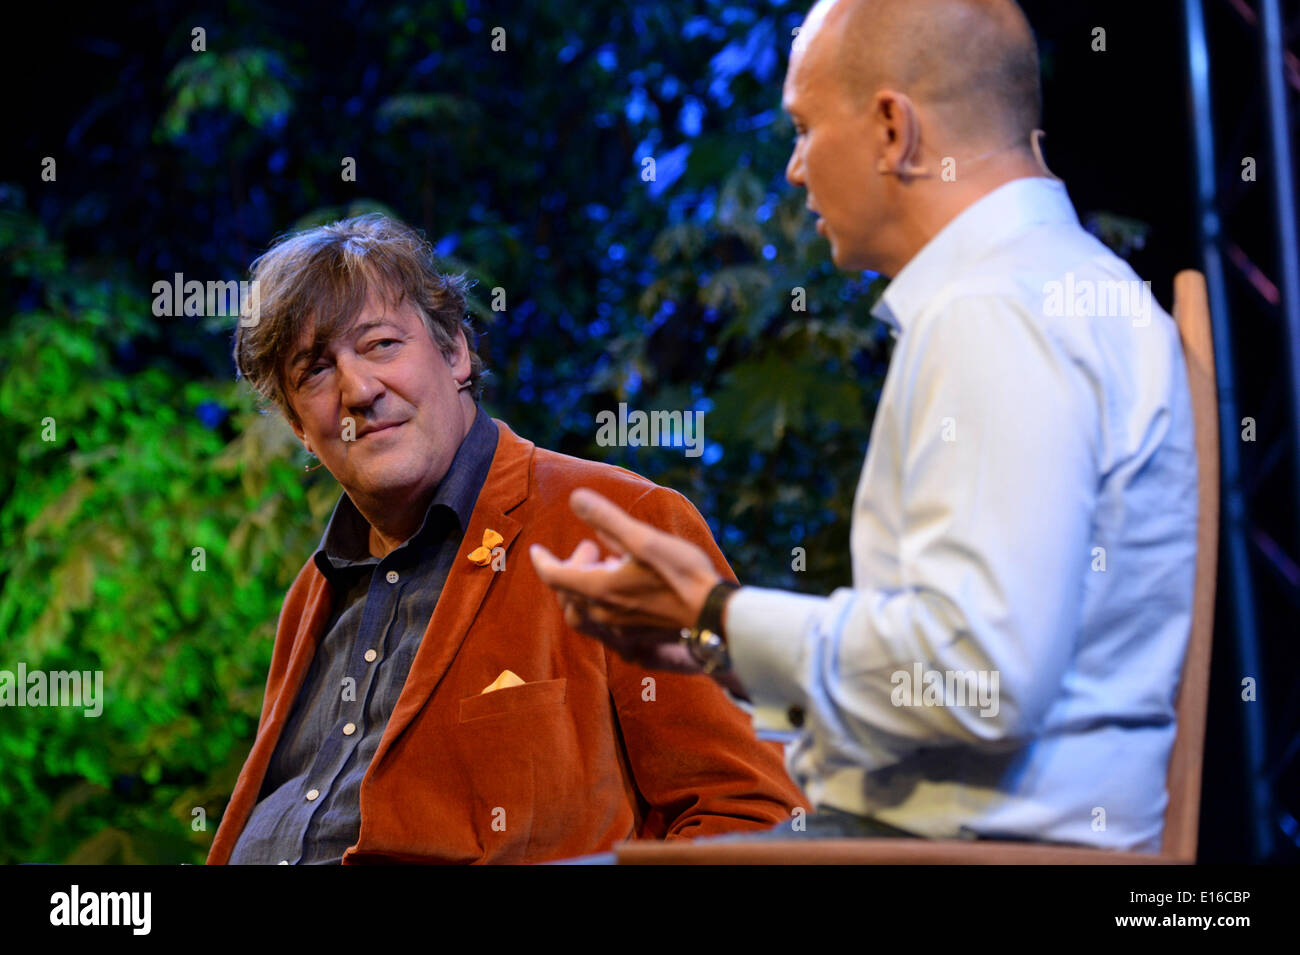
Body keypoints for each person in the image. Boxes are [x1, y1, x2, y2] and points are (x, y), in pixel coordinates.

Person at [530, 0, 1198, 853]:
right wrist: (715, 639)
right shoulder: (1063, 288)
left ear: (892, 128)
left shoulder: (997, 307)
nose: (796, 169)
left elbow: (979, 677)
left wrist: (719, 613)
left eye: (805, 129)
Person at [205, 214, 808, 865]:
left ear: (455, 352)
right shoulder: (313, 593)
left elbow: (753, 817)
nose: (358, 389)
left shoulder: (619, 522)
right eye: (316, 370)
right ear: (298, 425)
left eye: (380, 344)